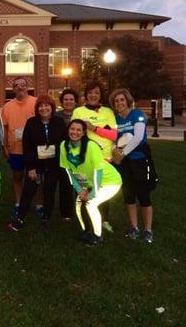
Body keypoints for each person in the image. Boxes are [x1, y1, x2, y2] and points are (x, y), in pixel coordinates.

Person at [59, 119, 122, 246]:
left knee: (91, 203)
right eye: (72, 129)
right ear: (68, 130)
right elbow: (69, 170)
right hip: (89, 181)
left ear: (83, 133)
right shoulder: (63, 146)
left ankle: (97, 236)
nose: (74, 132)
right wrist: (79, 189)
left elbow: (97, 171)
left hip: (110, 181)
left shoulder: (91, 146)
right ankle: (86, 230)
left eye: (78, 130)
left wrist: (93, 192)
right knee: (79, 202)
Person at [7, 95, 65, 230]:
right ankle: (19, 219)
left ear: (52, 107)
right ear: (37, 108)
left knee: (50, 190)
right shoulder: (31, 123)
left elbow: (63, 143)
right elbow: (27, 146)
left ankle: (46, 217)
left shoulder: (59, 122)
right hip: (35, 163)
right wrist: (31, 166)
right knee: (29, 190)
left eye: (47, 105)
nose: (44, 108)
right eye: (41, 106)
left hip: (53, 164)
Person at [109, 88, 154, 243]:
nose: (119, 103)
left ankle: (147, 230)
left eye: (122, 99)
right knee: (128, 195)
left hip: (139, 160)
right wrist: (114, 150)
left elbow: (138, 138)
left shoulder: (137, 114)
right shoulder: (114, 119)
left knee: (143, 195)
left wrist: (121, 153)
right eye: (116, 101)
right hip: (123, 163)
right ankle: (133, 227)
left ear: (127, 100)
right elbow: (113, 139)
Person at [71, 81, 117, 233]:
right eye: (90, 92)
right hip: (85, 159)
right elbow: (74, 132)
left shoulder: (108, 112)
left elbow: (113, 134)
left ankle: (104, 220)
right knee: (84, 190)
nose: (93, 95)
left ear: (100, 95)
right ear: (86, 95)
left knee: (102, 192)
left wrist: (93, 128)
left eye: (96, 93)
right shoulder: (78, 111)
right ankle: (85, 222)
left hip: (104, 159)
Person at [1, 77, 37, 220]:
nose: (20, 87)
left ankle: (39, 205)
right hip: (15, 149)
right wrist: (5, 146)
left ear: (27, 87)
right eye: (17, 85)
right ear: (13, 89)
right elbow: (5, 128)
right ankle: (18, 203)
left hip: (34, 149)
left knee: (36, 178)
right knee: (17, 176)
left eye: (23, 85)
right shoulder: (8, 106)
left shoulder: (35, 102)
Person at [55, 88, 80, 220]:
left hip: (80, 154)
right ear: (62, 101)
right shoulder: (56, 116)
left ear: (76, 101)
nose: (68, 102)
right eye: (65, 99)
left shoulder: (81, 114)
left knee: (80, 183)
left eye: (71, 99)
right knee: (65, 184)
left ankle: (81, 209)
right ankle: (66, 213)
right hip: (63, 154)